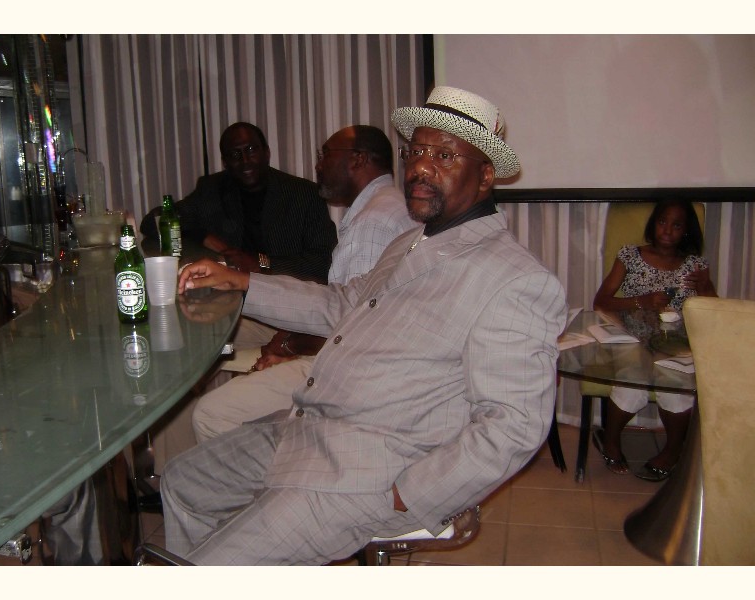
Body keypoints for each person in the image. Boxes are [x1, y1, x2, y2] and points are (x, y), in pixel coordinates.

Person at [160, 86, 567, 565]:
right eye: (415, 151)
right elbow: (341, 304)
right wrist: (244, 283)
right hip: (311, 428)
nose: (420, 167)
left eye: (443, 155)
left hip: (372, 472)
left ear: (485, 176)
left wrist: (410, 493)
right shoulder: (410, 243)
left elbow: (514, 425)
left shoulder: (513, 279)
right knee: (183, 482)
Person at [191, 124, 417, 441]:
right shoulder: (385, 205)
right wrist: (286, 339)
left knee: (211, 414)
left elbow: (352, 329)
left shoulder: (372, 225)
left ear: (357, 159)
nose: (318, 165)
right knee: (207, 329)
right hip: (329, 337)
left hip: (346, 367)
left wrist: (288, 348)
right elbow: (338, 303)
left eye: (325, 154)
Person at [592, 198, 717, 481]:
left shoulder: (695, 266)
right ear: (653, 224)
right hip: (632, 337)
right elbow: (601, 302)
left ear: (686, 230)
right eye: (662, 222)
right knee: (632, 383)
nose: (667, 230)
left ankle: (673, 452)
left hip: (676, 342)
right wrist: (642, 301)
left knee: (675, 387)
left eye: (676, 225)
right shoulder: (630, 256)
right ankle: (610, 440)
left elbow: (713, 309)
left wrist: (706, 286)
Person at [140, 121, 337, 282]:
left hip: (286, 293)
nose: (245, 161)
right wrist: (203, 235)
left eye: (251, 150)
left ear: (266, 153)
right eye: (235, 155)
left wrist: (260, 262)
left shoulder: (304, 194)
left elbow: (322, 263)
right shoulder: (211, 189)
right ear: (225, 162)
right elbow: (151, 224)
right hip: (230, 294)